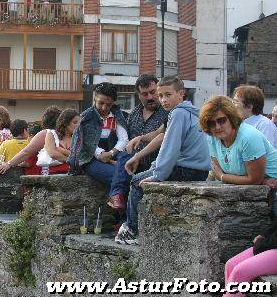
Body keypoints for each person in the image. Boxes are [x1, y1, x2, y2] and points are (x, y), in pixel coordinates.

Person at [115, 76, 211, 245]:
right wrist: (143, 160)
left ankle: (132, 231)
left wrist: (158, 173)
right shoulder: (189, 112)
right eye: (161, 96)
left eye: (168, 95)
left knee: (137, 181)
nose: (163, 100)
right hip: (199, 169)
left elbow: (171, 149)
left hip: (187, 169)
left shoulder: (178, 114)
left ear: (181, 94)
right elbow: (164, 138)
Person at [199, 95, 277, 211]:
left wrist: (222, 176)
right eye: (211, 123)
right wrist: (261, 181)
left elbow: (253, 180)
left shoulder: (248, 136)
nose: (217, 126)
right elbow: (216, 169)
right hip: (254, 193)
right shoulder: (213, 137)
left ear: (231, 118)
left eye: (221, 120)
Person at [108, 75, 168, 211]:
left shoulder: (167, 112)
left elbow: (162, 135)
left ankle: (119, 204)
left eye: (153, 92)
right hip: (132, 163)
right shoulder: (134, 113)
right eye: (144, 94)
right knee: (123, 161)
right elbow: (127, 141)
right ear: (138, 95)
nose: (150, 97)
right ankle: (118, 203)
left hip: (155, 162)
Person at [68, 82, 129, 199]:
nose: (104, 108)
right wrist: (100, 154)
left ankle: (118, 204)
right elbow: (85, 142)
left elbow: (124, 139)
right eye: (101, 103)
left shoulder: (118, 116)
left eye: (109, 105)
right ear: (94, 97)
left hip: (114, 154)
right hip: (90, 159)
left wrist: (111, 153)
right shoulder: (86, 117)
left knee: (127, 162)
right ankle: (118, 204)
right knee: (119, 174)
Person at [0, 106, 62, 175]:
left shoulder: (46, 133)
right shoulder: (65, 134)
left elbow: (26, 152)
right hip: (67, 171)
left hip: (48, 172)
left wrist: (9, 164)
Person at [224, 221, 277, 297]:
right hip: (268, 243)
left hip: (271, 244)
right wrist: (264, 234)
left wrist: (262, 243)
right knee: (231, 264)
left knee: (239, 272)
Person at [43, 109, 80, 174]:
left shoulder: (79, 137)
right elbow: (52, 154)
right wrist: (71, 159)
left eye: (80, 123)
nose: (78, 125)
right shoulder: (52, 134)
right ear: (65, 123)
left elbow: (80, 157)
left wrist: (63, 151)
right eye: (75, 122)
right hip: (54, 173)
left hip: (74, 173)